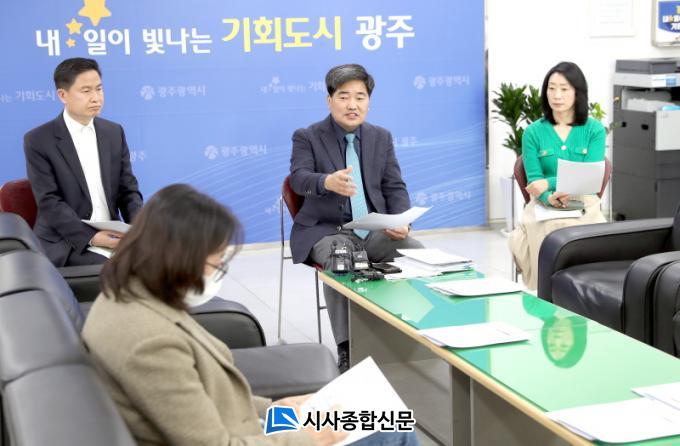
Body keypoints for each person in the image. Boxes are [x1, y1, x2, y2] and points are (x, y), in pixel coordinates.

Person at [82, 184, 419, 446]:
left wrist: (277, 410)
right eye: (215, 263)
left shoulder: (133, 297)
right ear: (179, 259)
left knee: (384, 416)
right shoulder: (149, 343)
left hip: (249, 426)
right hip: (251, 438)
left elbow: (207, 400)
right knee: (391, 428)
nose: (218, 273)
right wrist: (312, 437)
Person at [289, 64, 424, 372]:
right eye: (344, 96)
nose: (353, 105)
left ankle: (407, 333)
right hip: (326, 230)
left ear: (369, 101)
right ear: (330, 101)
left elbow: (394, 187)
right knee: (341, 259)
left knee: (417, 254)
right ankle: (347, 347)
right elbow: (298, 179)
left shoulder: (381, 137)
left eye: (360, 97)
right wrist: (326, 181)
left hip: (373, 229)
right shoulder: (307, 136)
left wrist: (401, 221)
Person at [24, 57, 142, 267]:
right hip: (67, 241)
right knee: (120, 268)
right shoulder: (39, 139)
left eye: (99, 89)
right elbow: (49, 201)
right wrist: (92, 237)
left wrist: (140, 230)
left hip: (113, 234)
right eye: (86, 91)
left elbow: (128, 191)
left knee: (160, 259)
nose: (96, 98)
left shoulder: (114, 132)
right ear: (63, 95)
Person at [509, 61, 606, 290]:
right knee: (550, 231)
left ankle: (586, 292)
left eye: (564, 88)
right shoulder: (533, 132)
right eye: (551, 88)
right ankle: (547, 292)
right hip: (544, 203)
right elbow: (534, 181)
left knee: (589, 235)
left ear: (577, 92)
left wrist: (549, 182)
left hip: (583, 200)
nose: (557, 95)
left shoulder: (594, 129)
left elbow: (590, 176)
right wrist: (547, 195)